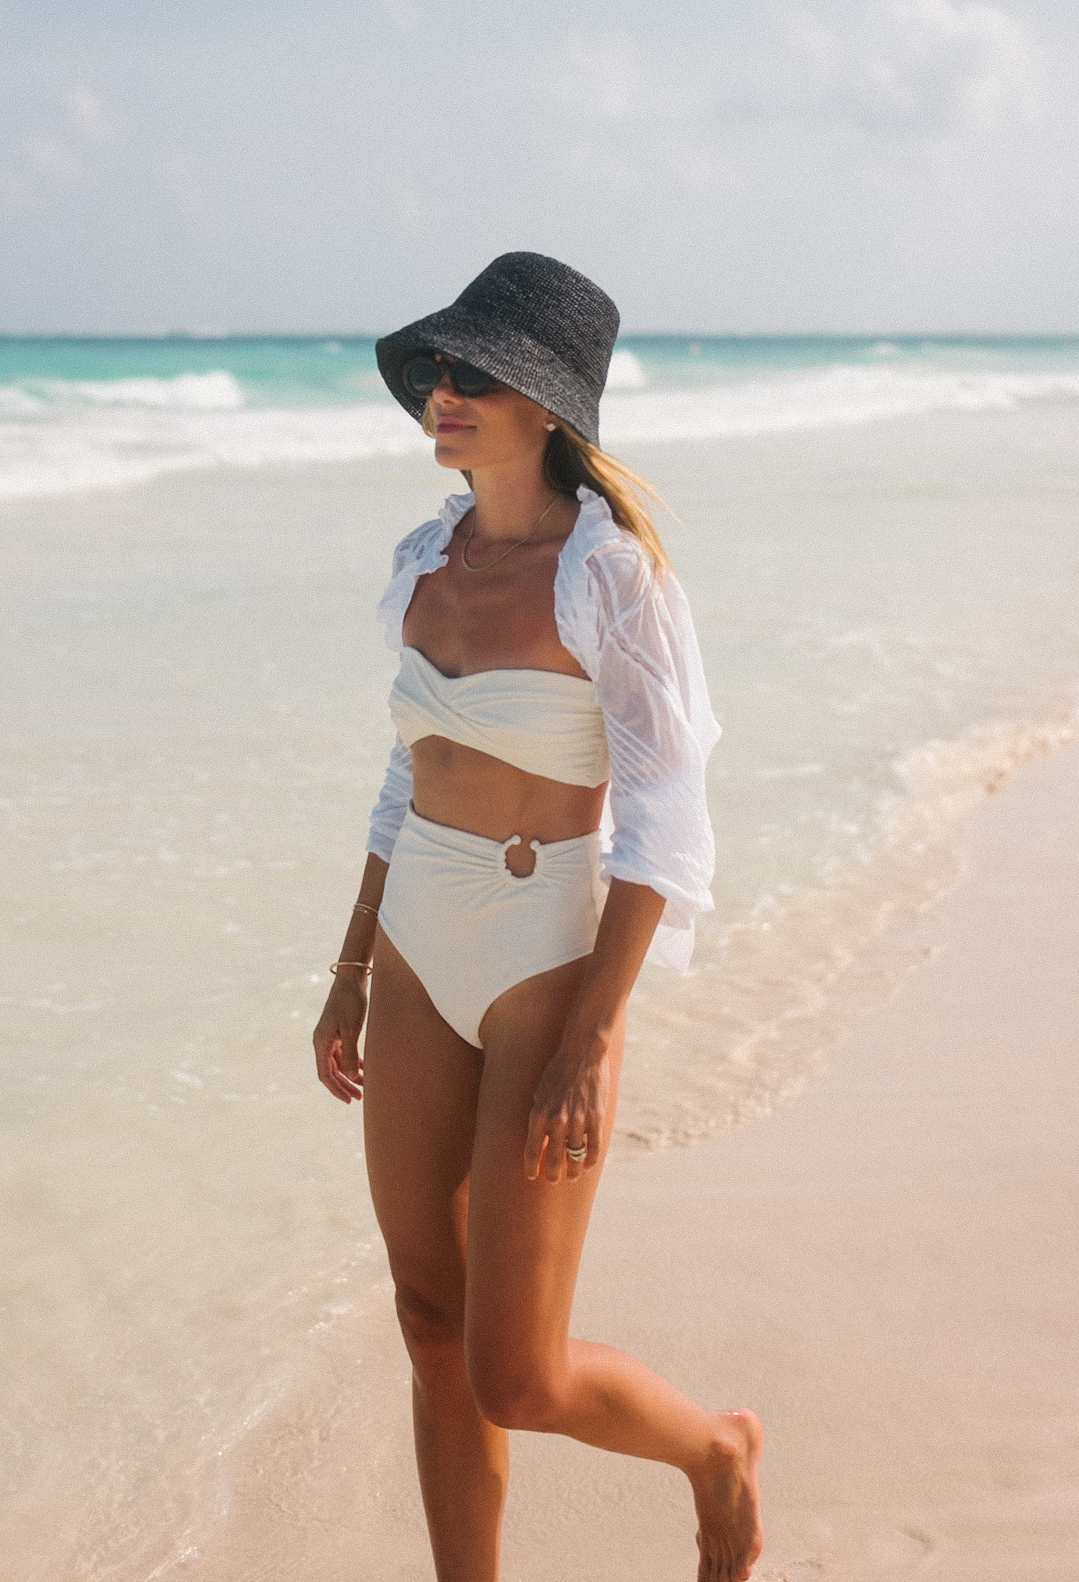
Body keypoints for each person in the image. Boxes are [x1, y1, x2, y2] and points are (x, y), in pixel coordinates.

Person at [312, 252, 763, 1582]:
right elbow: (410, 776)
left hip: (547, 962)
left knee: (516, 1374)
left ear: (546, 406)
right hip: (417, 945)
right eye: (437, 371)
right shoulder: (421, 562)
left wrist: (590, 1037)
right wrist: (348, 970)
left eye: (477, 375)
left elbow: (669, 819)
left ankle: (717, 1450)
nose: (442, 393)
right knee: (424, 1317)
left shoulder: (610, 580)